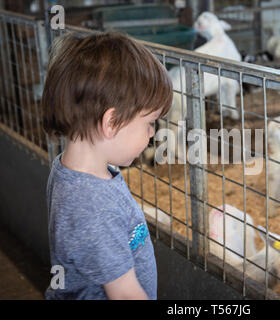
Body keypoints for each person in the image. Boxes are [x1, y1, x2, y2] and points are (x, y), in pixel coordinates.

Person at [41, 31, 172, 299]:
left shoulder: (75, 171)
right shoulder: (93, 205)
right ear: (112, 123)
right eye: (149, 123)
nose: (151, 134)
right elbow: (124, 295)